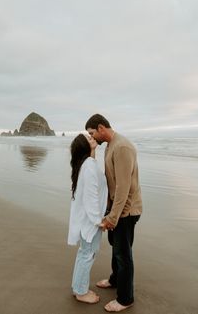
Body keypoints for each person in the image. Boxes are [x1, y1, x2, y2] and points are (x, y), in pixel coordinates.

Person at [85, 114, 142, 312]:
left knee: (123, 253)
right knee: (116, 248)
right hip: (118, 210)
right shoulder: (111, 145)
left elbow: (123, 188)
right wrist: (109, 211)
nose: (92, 138)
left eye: (92, 133)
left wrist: (114, 217)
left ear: (101, 128)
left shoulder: (122, 147)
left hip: (127, 211)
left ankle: (126, 299)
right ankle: (115, 280)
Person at [67, 133, 108, 304]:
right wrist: (100, 221)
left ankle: (78, 287)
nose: (92, 137)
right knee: (87, 255)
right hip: (91, 222)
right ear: (85, 147)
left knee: (84, 253)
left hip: (86, 220)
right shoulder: (89, 166)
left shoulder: (86, 164)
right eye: (88, 139)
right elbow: (91, 198)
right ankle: (81, 292)